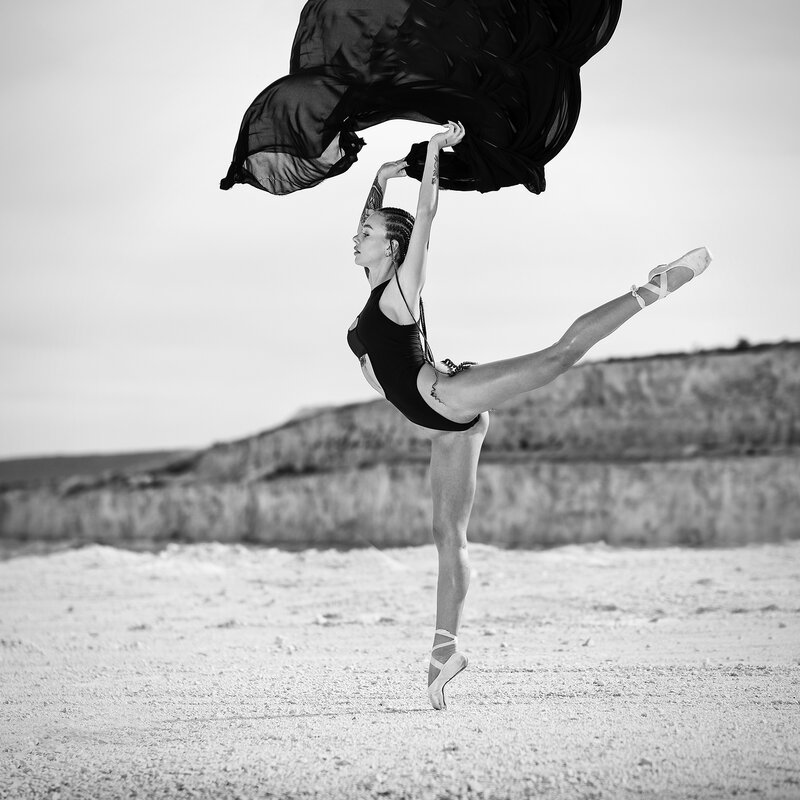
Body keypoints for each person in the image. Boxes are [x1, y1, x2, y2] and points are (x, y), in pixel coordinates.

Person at [347, 122, 712, 710]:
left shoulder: (401, 291)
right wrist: (380, 178)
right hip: (443, 428)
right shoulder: (373, 288)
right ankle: (444, 653)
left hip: (447, 400)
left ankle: (652, 289)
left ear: (391, 248)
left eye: (367, 232)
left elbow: (426, 217)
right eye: (360, 230)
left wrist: (434, 153)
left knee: (556, 357)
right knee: (448, 537)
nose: (356, 236)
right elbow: (374, 220)